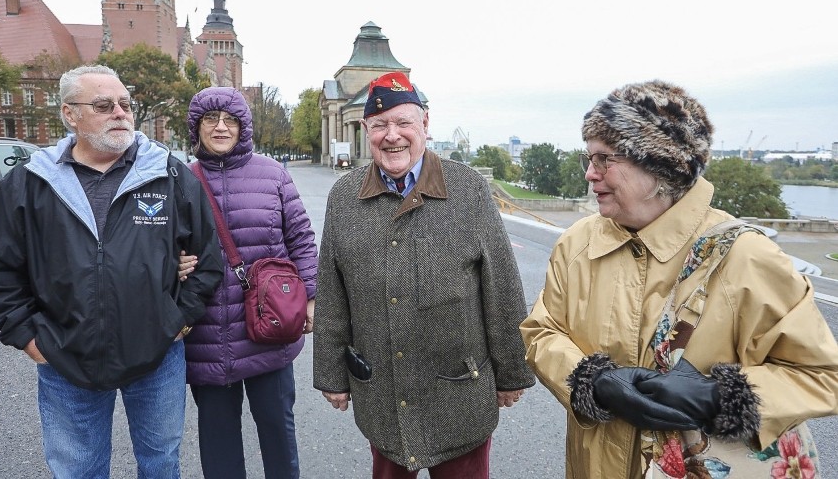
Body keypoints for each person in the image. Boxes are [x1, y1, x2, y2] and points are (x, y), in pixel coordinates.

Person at [520, 80, 838, 478]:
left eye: (604, 160)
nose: (589, 174)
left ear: (659, 166)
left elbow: (820, 374)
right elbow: (541, 330)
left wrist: (720, 397)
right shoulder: (576, 244)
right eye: (589, 158)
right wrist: (590, 381)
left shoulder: (747, 256)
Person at [0, 64, 224, 478]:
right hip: (65, 356)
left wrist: (179, 318)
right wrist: (24, 334)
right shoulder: (29, 182)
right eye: (103, 104)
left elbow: (207, 257)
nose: (120, 112)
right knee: (78, 470)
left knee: (161, 463)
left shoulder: (168, 174)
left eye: (124, 104)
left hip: (156, 353)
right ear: (69, 114)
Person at [312, 71, 535, 478]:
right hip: (383, 396)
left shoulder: (468, 189)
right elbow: (331, 292)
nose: (391, 135)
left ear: (425, 125)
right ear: (366, 129)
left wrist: (512, 372)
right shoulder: (343, 198)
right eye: (379, 125)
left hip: (459, 394)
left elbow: (500, 286)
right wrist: (331, 373)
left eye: (403, 123)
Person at [176, 87, 318, 479]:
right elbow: (159, 242)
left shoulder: (273, 174)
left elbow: (302, 239)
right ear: (196, 127)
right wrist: (170, 264)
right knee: (218, 441)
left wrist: (311, 297)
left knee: (277, 433)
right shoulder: (181, 180)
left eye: (230, 120)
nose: (221, 127)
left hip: (268, 328)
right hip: (206, 336)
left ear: (243, 127)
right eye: (210, 119)